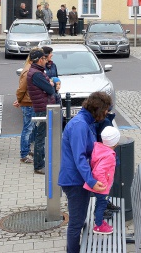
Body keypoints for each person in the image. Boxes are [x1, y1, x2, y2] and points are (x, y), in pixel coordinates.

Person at [59, 91, 113, 253]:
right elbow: (80, 158)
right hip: (75, 181)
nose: (107, 113)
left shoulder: (86, 121)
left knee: (79, 220)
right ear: (98, 109)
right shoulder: (80, 125)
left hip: (78, 179)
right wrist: (90, 181)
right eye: (105, 110)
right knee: (76, 223)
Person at [27, 49, 60, 173]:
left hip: (43, 106)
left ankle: (41, 162)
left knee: (41, 136)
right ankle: (39, 165)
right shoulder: (37, 74)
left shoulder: (37, 71)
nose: (46, 61)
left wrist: (50, 84)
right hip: (43, 108)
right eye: (45, 59)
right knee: (41, 137)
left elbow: (49, 85)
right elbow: (50, 89)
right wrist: (51, 84)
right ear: (40, 59)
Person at [84, 126, 120, 235]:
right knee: (102, 204)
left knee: (100, 203)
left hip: (97, 185)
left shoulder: (99, 148)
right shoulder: (109, 155)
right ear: (115, 143)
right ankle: (99, 225)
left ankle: (98, 220)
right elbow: (99, 171)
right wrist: (104, 185)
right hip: (101, 187)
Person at [13, 49, 40, 164]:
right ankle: (24, 154)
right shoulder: (28, 70)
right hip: (28, 103)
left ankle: (27, 151)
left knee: (31, 128)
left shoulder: (30, 68)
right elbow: (21, 89)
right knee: (28, 129)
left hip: (29, 102)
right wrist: (19, 100)